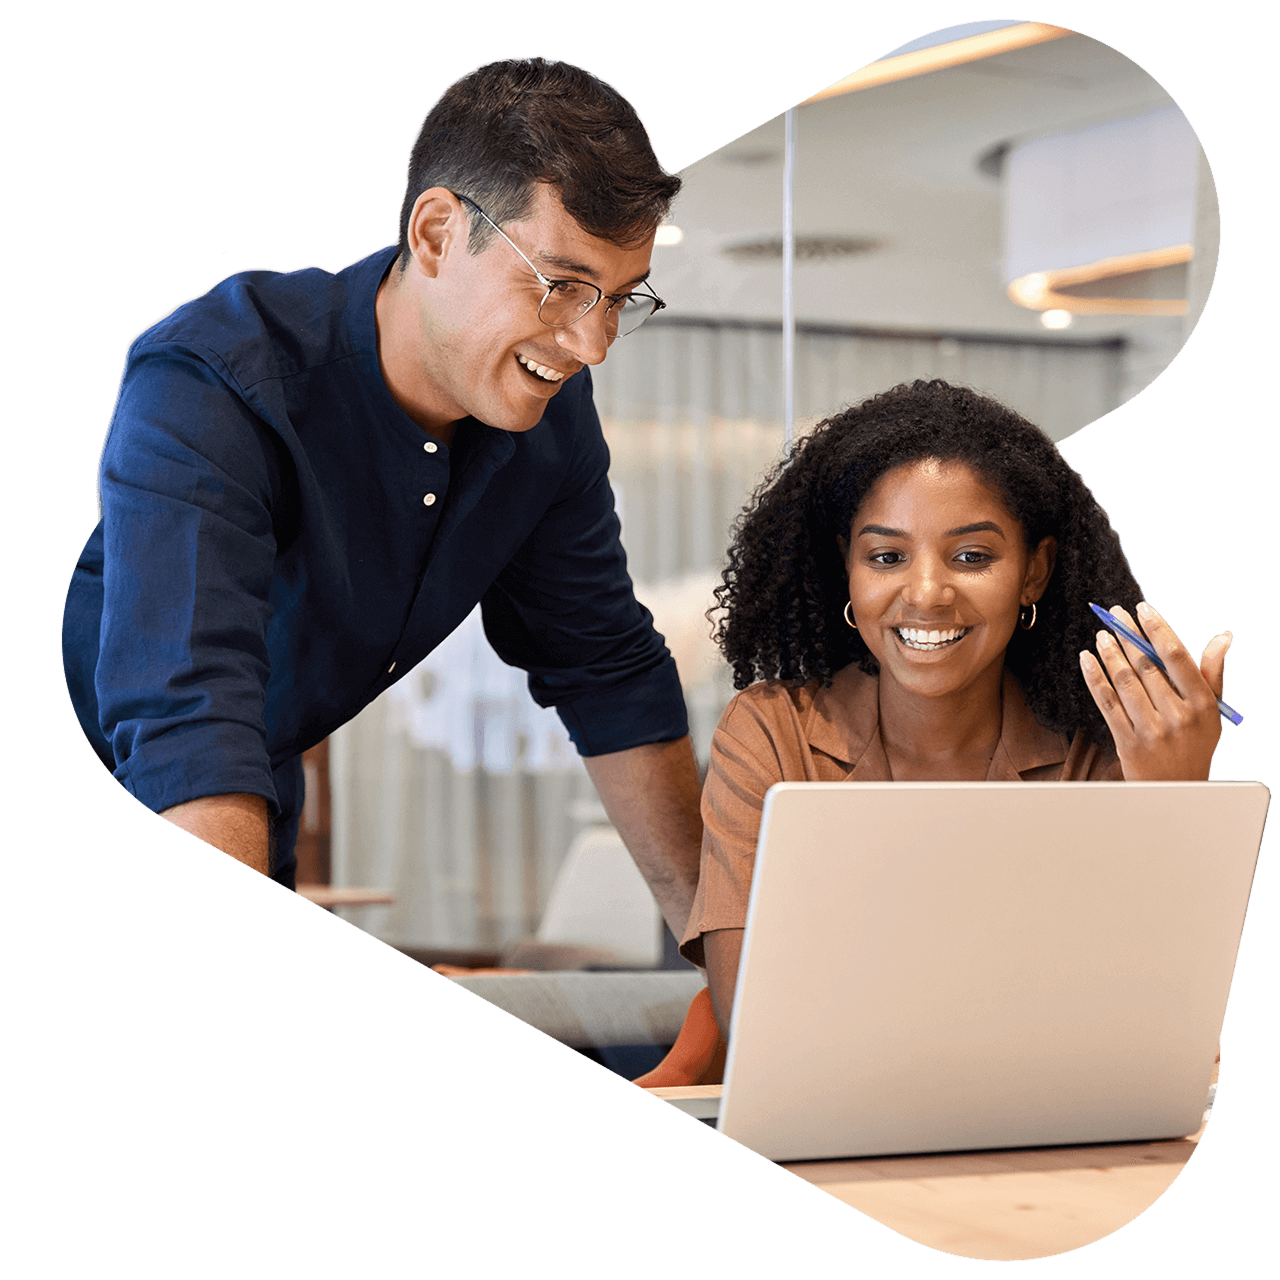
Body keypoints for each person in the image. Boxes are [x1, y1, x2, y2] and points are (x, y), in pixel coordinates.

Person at [61, 56, 705, 941]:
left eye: (618, 300)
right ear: (437, 234)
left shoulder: (548, 428)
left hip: (250, 798)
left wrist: (720, 953)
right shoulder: (218, 377)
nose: (592, 344)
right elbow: (189, 722)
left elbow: (606, 669)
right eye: (561, 286)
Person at [634, 379, 1231, 1087]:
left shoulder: (1098, 748)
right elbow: (754, 1023)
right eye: (886, 557)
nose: (926, 592)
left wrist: (1174, 802)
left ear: (1032, 572)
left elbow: (1150, 1028)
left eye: (971, 557)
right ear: (846, 571)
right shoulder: (772, 733)